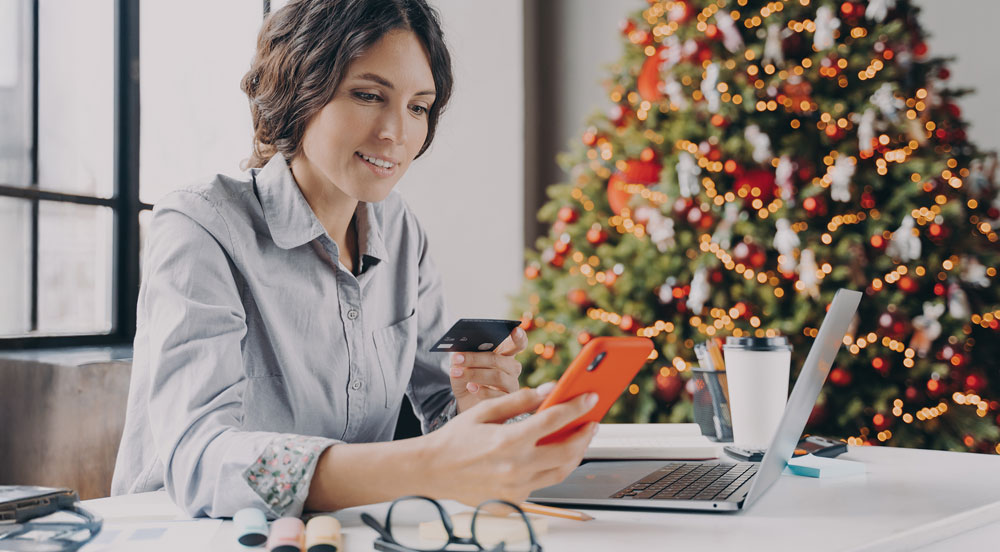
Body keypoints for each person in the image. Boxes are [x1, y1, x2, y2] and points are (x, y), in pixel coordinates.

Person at [110, 0, 597, 518]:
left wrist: (472, 407)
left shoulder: (400, 231)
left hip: (345, 532)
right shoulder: (201, 223)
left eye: (418, 107)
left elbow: (442, 411)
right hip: (179, 532)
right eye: (368, 95)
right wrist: (423, 465)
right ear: (301, 90)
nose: (396, 132)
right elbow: (199, 459)